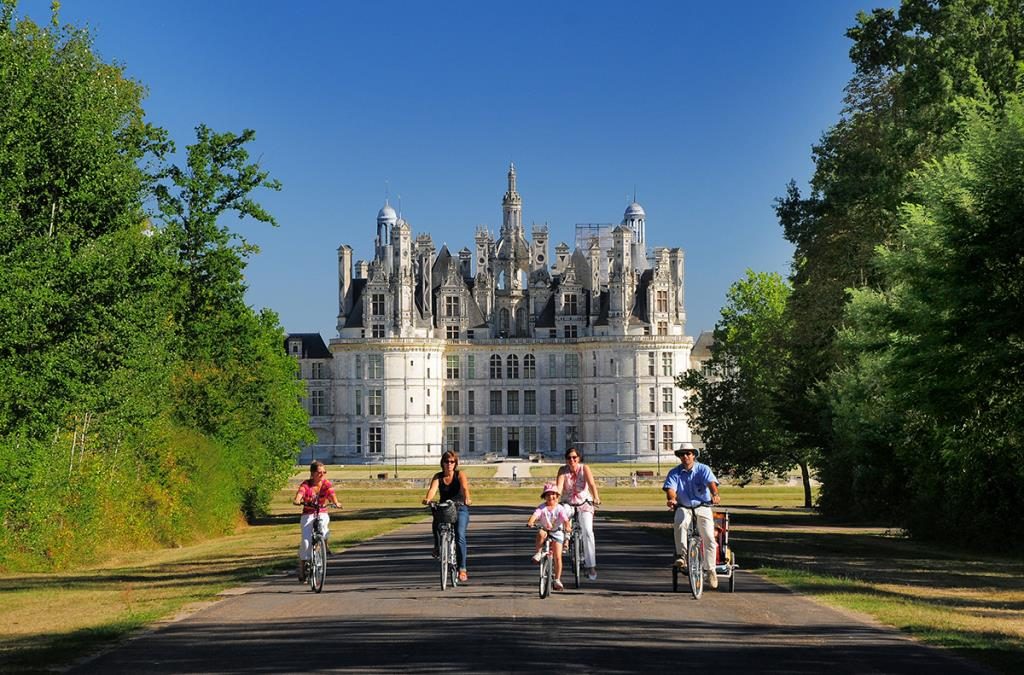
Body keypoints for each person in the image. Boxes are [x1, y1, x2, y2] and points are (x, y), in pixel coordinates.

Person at [662, 442, 721, 588]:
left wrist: (715, 494)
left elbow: (711, 483)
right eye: (682, 454)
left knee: (708, 537)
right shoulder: (674, 472)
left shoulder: (703, 469)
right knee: (680, 522)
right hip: (684, 506)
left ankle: (710, 570)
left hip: (703, 505)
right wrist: (672, 499)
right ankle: (682, 556)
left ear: (694, 455)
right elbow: (670, 488)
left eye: (688, 453)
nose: (685, 457)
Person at [422, 450, 472, 582]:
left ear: (455, 463)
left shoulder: (459, 474)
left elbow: (465, 488)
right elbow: (432, 490)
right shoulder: (438, 477)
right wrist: (428, 499)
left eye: (452, 462)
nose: (449, 464)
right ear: (442, 463)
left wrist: (467, 498)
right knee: (436, 522)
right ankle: (438, 547)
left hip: (460, 507)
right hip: (445, 508)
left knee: (460, 535)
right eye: (446, 461)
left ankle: (462, 569)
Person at [555, 446, 601, 580]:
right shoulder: (563, 470)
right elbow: (559, 487)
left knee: (587, 531)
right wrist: (554, 500)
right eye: (569, 458)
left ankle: (591, 565)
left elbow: (592, 484)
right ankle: (565, 540)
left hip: (584, 502)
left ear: (579, 458)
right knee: (561, 516)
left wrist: (596, 497)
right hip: (568, 502)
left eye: (574, 457)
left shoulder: (584, 468)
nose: (572, 460)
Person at [292, 460, 341, 582]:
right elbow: (300, 493)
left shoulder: (326, 484)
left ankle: (322, 547)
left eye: (324, 472)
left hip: (322, 512)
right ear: (312, 473)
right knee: (306, 542)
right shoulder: (306, 484)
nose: (322, 474)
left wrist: (336, 502)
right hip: (308, 514)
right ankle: (302, 566)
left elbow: (331, 494)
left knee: (324, 530)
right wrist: (298, 500)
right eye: (319, 472)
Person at [527, 481, 573, 591]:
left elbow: (566, 520)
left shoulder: (560, 508)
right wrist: (530, 522)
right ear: (544, 497)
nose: (550, 497)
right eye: (548, 495)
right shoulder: (542, 508)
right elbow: (534, 516)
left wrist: (567, 527)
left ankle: (557, 579)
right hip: (545, 530)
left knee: (558, 557)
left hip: (557, 531)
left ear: (557, 496)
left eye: (553, 494)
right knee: (540, 533)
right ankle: (538, 553)